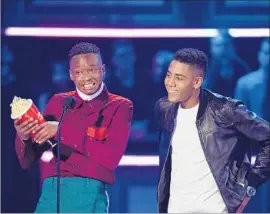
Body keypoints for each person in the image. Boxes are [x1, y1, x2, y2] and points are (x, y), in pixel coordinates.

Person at [14, 42, 133, 213]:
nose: (86, 77)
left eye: (92, 70)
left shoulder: (120, 106)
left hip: (89, 189)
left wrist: (61, 130)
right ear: (71, 75)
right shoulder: (58, 101)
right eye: (79, 72)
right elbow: (27, 161)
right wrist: (23, 137)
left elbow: (111, 158)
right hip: (51, 189)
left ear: (103, 70)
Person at [156, 48, 270, 213]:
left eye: (179, 78)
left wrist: (252, 183)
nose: (170, 83)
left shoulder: (226, 110)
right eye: (169, 75)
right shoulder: (164, 108)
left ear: (197, 82)